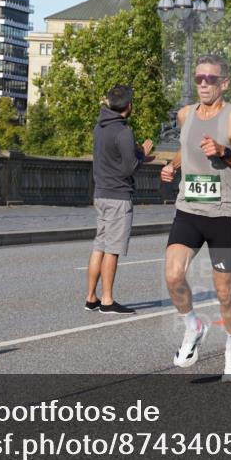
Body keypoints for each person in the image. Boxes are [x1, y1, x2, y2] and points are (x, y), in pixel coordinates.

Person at [160, 54, 231, 383]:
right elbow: (187, 147)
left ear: (224, 83)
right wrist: (172, 166)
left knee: (225, 292)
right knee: (173, 276)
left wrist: (225, 152)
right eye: (199, 78)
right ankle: (193, 326)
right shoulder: (185, 114)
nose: (203, 84)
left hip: (222, 215)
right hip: (188, 210)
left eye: (210, 79)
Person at [86, 84, 153, 314]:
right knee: (112, 249)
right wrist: (142, 153)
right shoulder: (124, 131)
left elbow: (112, 158)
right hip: (118, 196)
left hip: (101, 193)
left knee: (99, 246)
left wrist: (136, 155)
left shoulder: (99, 127)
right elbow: (129, 168)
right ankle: (107, 300)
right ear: (129, 105)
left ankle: (91, 297)